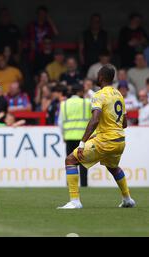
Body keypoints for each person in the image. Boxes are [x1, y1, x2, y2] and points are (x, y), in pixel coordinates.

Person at [58, 64, 135, 209]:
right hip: (119, 141)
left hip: (105, 141)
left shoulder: (98, 95)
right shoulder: (118, 94)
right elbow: (124, 123)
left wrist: (82, 142)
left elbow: (94, 120)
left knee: (70, 160)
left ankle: (75, 201)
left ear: (100, 77)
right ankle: (127, 199)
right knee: (113, 168)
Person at [58, 84, 91, 187]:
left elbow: (60, 122)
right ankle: (84, 185)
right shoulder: (87, 103)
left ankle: (70, 186)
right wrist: (89, 91)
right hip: (82, 138)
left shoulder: (64, 104)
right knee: (83, 164)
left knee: (70, 163)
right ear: (81, 92)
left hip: (69, 137)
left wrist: (63, 135)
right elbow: (97, 100)